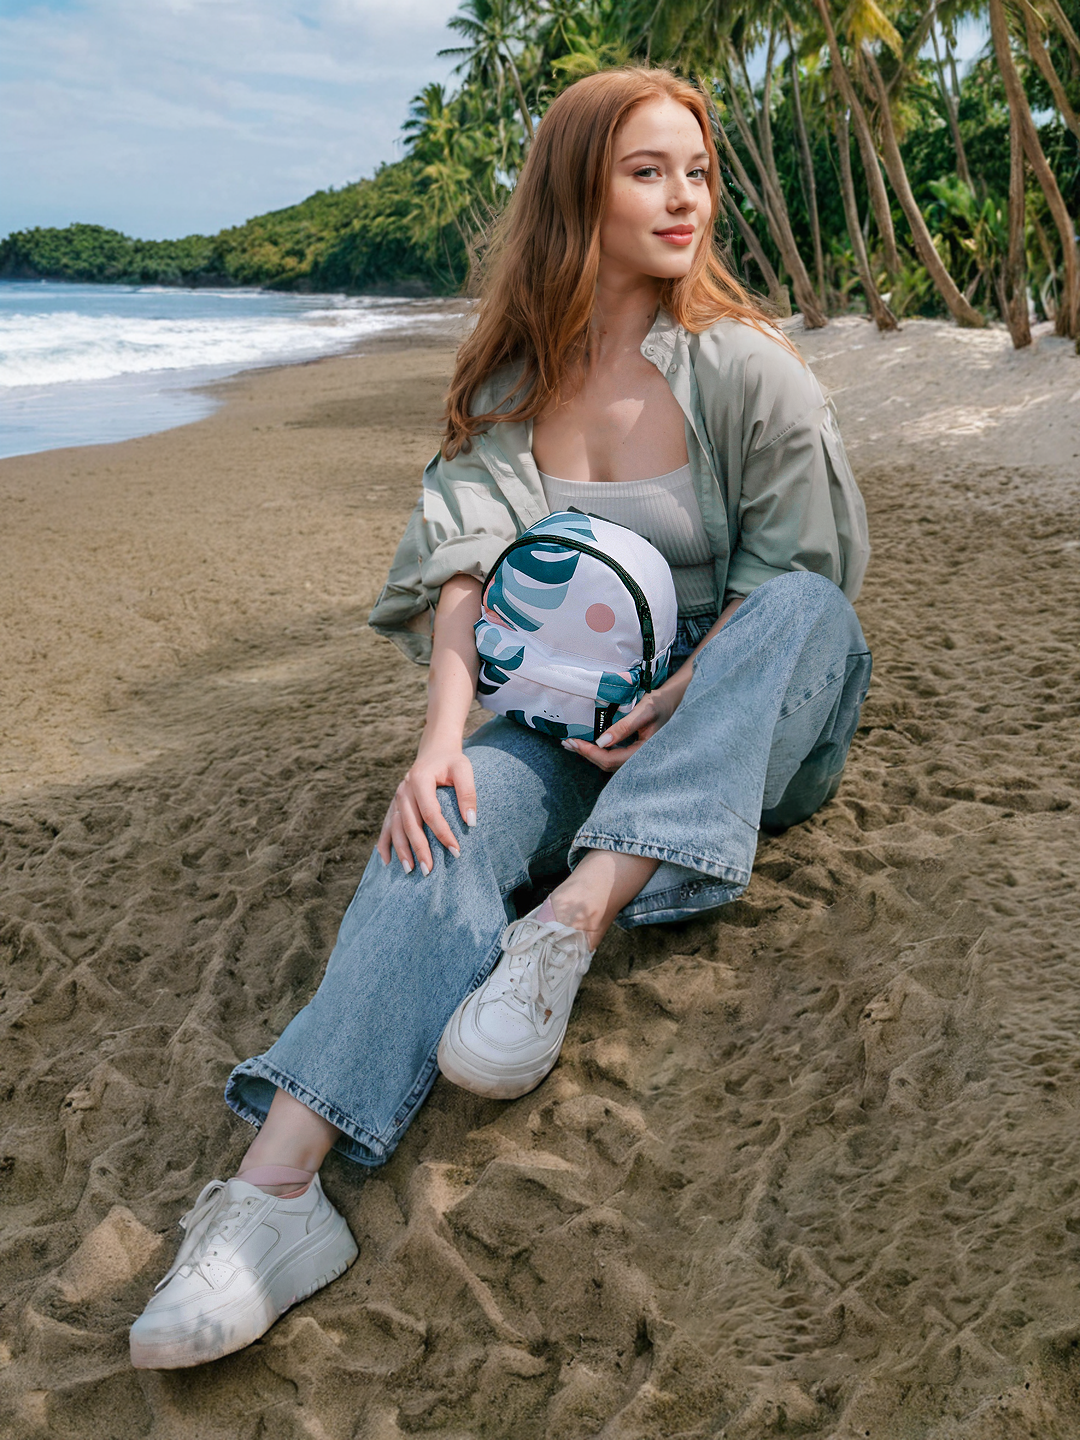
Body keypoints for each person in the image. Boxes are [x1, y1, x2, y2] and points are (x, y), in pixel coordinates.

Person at [129, 65, 871, 1371]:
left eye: (697, 172)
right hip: (570, 729)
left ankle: (571, 923)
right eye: (647, 171)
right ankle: (275, 1195)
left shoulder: (751, 374)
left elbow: (794, 586)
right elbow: (467, 573)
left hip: (746, 723)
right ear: (577, 193)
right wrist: (439, 745)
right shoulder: (514, 380)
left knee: (806, 612)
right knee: (445, 819)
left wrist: (677, 697)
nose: (686, 198)